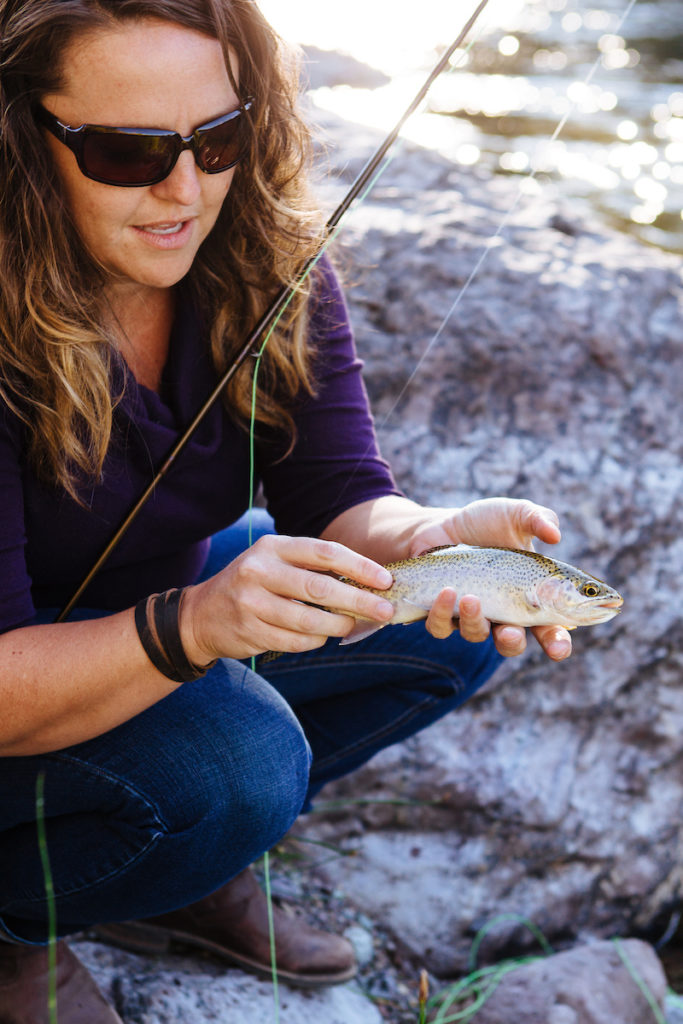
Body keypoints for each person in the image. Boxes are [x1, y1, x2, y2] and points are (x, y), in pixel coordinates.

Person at [0, 1, 573, 1020]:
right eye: (131, 154)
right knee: (243, 757)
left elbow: (344, 499)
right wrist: (193, 628)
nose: (186, 190)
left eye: (217, 140)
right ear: (22, 139)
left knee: (448, 631)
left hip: (148, 614)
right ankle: (16, 926)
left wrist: (435, 541)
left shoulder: (259, 258)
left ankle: (176, 862)